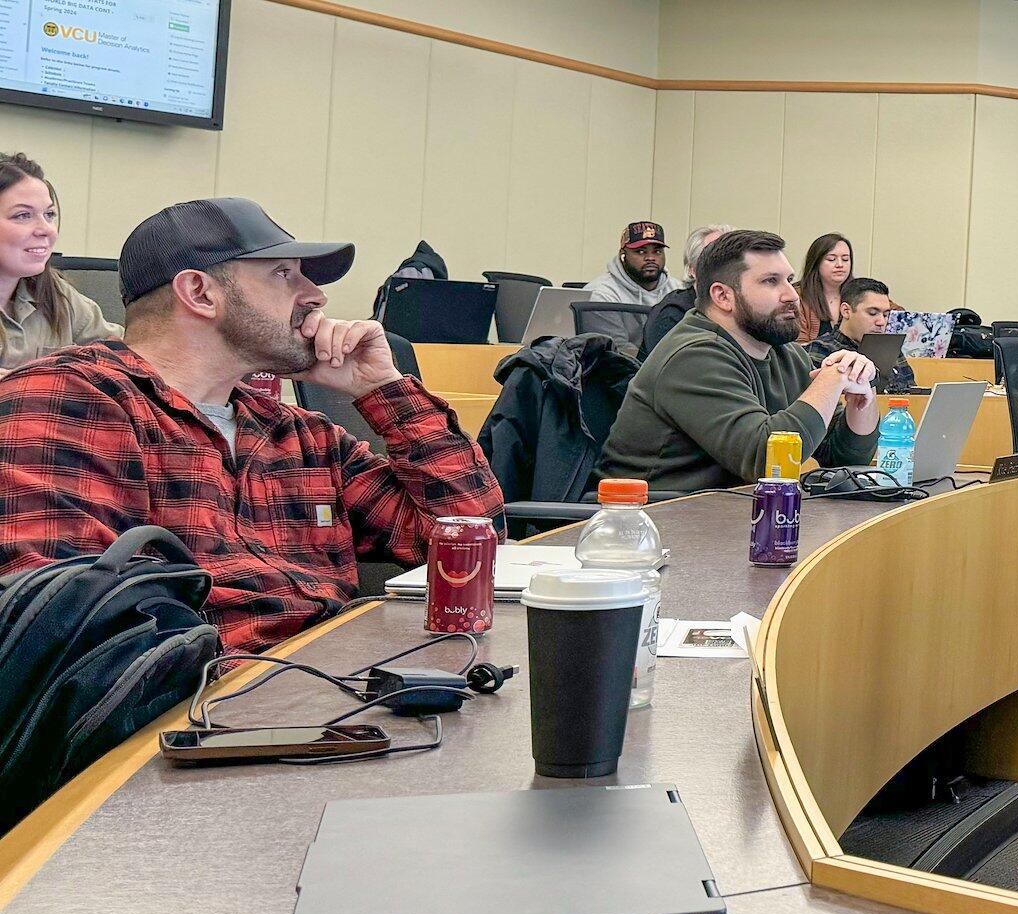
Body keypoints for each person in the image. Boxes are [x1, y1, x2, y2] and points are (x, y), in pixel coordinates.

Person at [0, 197, 504, 654]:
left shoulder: (303, 436)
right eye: (284, 274)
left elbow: (470, 545)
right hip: (192, 720)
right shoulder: (65, 403)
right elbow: (66, 628)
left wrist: (383, 389)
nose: (316, 297)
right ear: (199, 292)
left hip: (335, 690)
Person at [599, 229, 879, 492]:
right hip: (650, 522)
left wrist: (861, 400)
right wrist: (829, 382)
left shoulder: (785, 354)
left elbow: (840, 458)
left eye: (788, 280)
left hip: (723, 518)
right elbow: (765, 460)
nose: (792, 295)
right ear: (723, 296)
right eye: (771, 281)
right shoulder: (694, 356)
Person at [0, 153, 120, 374]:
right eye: (23, 215)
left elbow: (126, 353)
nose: (46, 229)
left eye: (49, 214)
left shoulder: (54, 293)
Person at [804, 277, 913, 393]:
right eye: (872, 313)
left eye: (886, 315)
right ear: (846, 311)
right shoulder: (820, 349)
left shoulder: (890, 349)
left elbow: (914, 395)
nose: (881, 322)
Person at [644, 223, 729, 357]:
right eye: (717, 260)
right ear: (692, 270)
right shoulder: (672, 315)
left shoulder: (738, 310)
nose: (728, 268)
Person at [582, 220, 676, 308]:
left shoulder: (678, 290)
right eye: (641, 252)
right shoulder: (602, 293)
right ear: (623, 254)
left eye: (657, 251)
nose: (650, 258)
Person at [793, 232, 851, 343]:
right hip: (812, 358)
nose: (840, 264)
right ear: (816, 262)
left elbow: (888, 309)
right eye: (831, 259)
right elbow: (797, 346)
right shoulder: (797, 296)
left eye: (845, 259)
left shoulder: (859, 292)